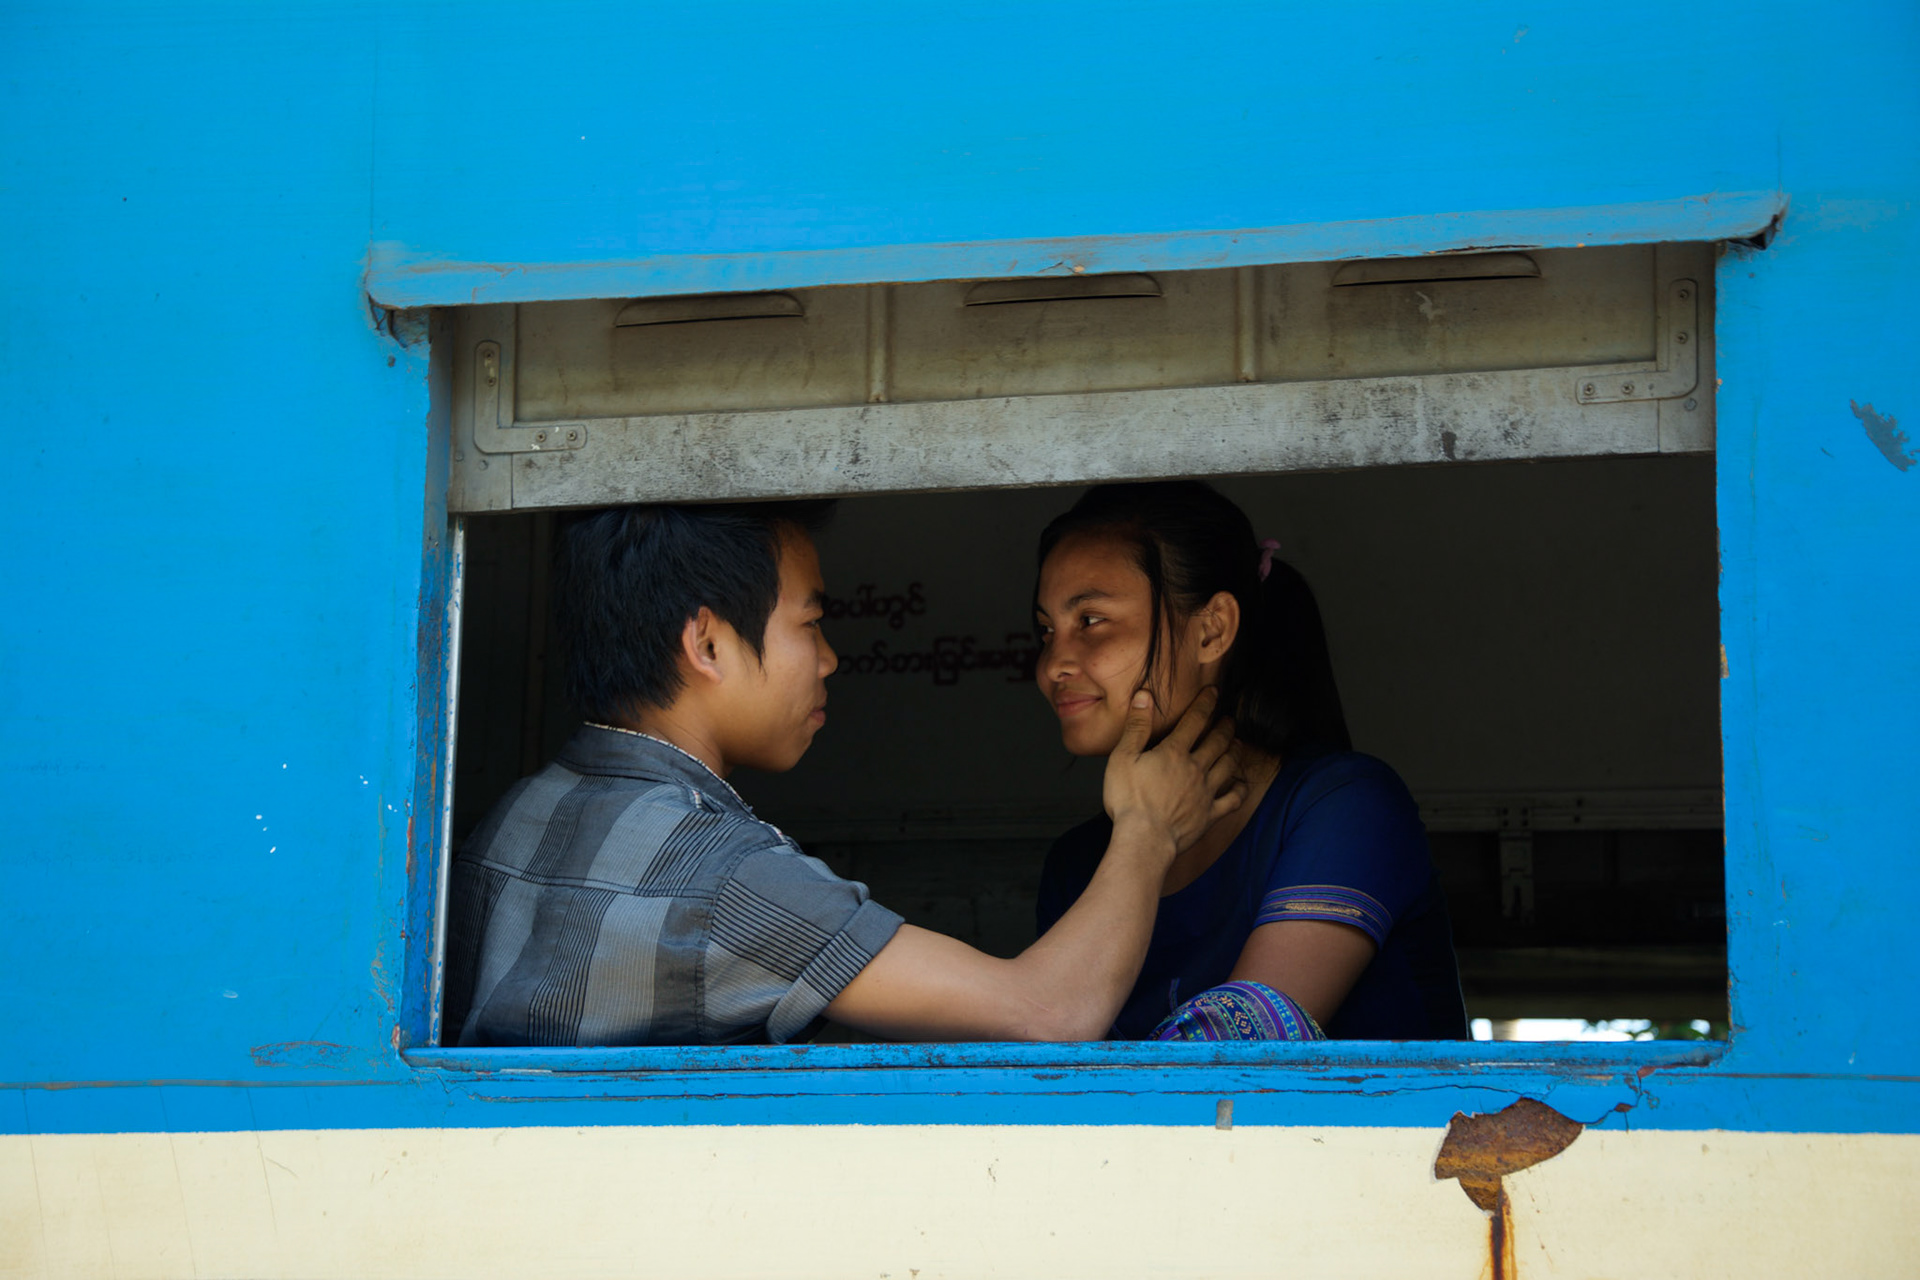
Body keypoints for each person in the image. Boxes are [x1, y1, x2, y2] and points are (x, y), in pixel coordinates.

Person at [443, 501, 1244, 1047]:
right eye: (812, 623)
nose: (829, 658)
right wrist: (1147, 830)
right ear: (708, 644)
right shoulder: (723, 878)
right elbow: (1048, 1011)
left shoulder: (516, 813)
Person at [1032, 481, 1468, 1042]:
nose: (1053, 665)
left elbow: (1235, 1063)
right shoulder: (1077, 863)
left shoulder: (1346, 806)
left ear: (1212, 629)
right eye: (1047, 631)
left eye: (1091, 620)